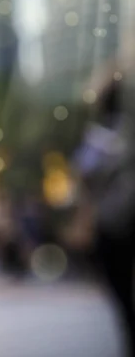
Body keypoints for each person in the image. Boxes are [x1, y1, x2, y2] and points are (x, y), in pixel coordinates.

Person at [75, 72, 135, 356]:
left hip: (113, 225)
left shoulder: (98, 140)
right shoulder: (125, 134)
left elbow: (85, 183)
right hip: (120, 220)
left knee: (123, 296)